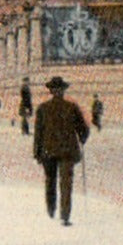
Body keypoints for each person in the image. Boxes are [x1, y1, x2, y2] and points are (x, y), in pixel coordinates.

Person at [33, 75, 91, 225]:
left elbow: (38, 133)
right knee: (66, 184)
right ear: (63, 91)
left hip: (48, 151)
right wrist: (83, 138)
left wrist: (37, 153)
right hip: (67, 151)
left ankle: (51, 210)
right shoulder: (72, 108)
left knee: (50, 181)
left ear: (51, 91)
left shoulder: (42, 109)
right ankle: (65, 216)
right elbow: (83, 130)